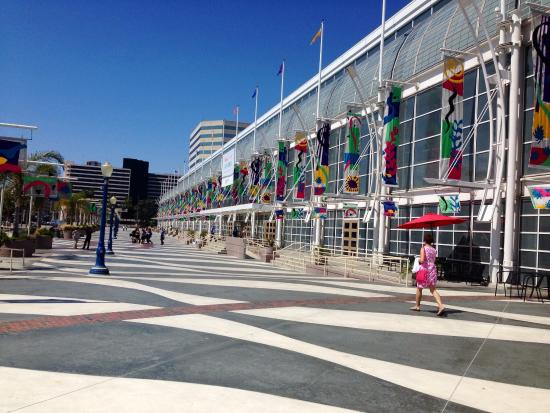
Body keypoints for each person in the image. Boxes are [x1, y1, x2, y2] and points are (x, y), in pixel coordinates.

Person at [410, 233, 445, 316]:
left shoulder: (423, 248)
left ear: (424, 240)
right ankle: (441, 305)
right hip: (432, 269)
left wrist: (418, 261)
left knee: (419, 288)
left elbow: (422, 260)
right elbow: (433, 260)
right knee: (433, 289)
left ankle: (417, 306)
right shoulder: (434, 250)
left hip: (424, 270)